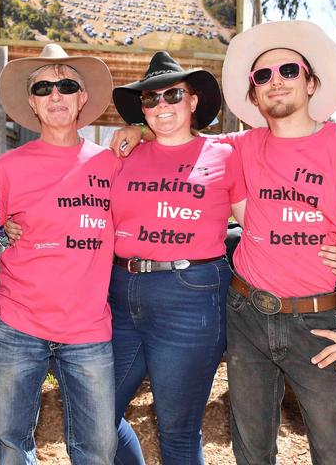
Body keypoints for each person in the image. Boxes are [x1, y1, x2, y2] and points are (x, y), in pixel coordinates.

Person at [113, 20, 336, 464]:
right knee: (250, 452)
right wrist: (140, 129)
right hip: (246, 314)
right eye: (263, 76)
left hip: (316, 323)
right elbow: (181, 137)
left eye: (289, 71)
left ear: (311, 83)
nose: (276, 82)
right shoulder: (240, 146)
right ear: (253, 94)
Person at [108, 52, 245, 464]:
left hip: (192, 296)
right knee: (94, 413)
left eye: (173, 95)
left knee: (178, 430)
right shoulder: (122, 154)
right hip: (121, 292)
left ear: (193, 101)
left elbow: (257, 225)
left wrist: (329, 239)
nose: (161, 106)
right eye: (150, 100)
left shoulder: (225, 153)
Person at [0, 44, 119, 464]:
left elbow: (181, 143)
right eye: (43, 87)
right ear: (32, 102)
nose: (55, 95)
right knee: (13, 443)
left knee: (98, 448)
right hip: (18, 324)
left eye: (67, 85)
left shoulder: (112, 164)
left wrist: (142, 129)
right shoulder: (7, 167)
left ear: (83, 97)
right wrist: (2, 232)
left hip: (88, 329)